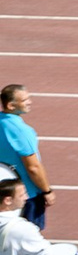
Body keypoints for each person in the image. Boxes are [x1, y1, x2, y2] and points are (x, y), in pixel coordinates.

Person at [0, 87, 49, 229]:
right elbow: (33, 167)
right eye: (24, 100)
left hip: (4, 190)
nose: (30, 102)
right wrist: (47, 191)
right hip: (26, 194)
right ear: (11, 105)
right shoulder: (20, 130)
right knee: (28, 235)